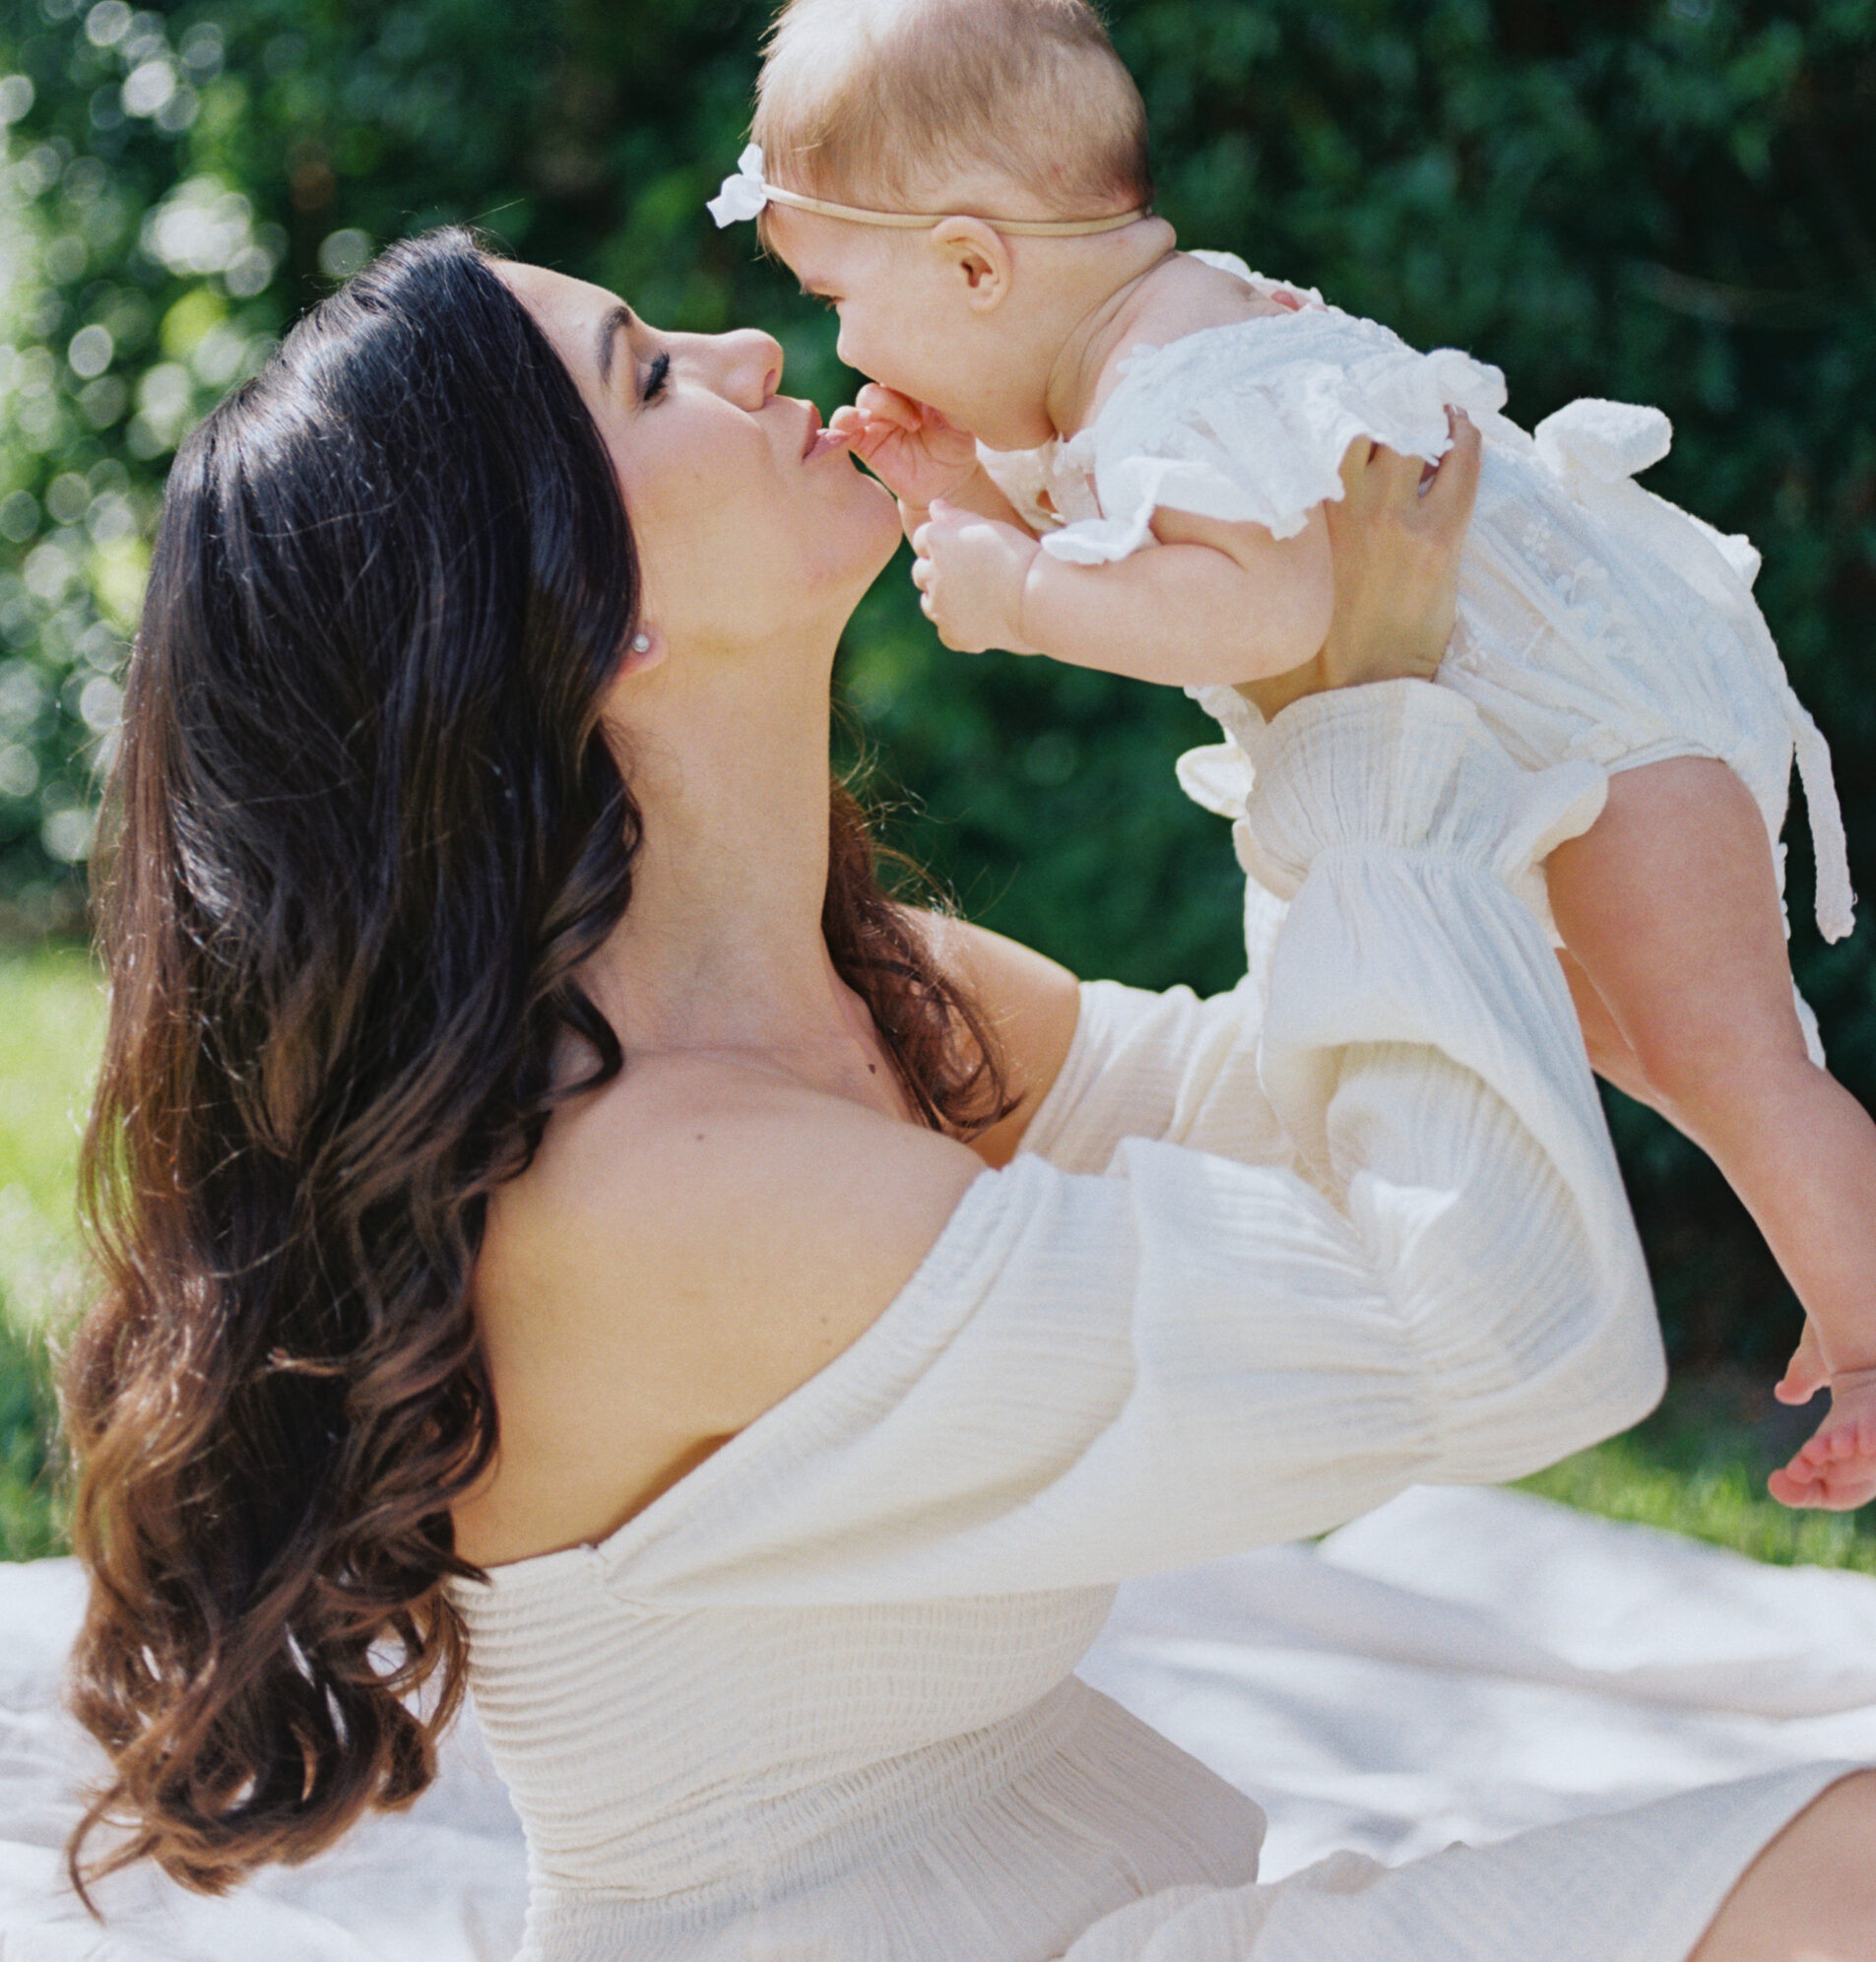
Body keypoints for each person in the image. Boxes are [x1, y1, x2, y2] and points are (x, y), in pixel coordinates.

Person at [62, 230, 1873, 1961]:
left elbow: (1345, 1125)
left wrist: (1276, 636)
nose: (751, 348)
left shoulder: (868, 993)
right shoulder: (665, 1185)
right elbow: (1499, 1338)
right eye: (652, 376)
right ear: (581, 616)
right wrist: (1348, 711)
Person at [716, 0, 1876, 1513]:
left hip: (1603, 727)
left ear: (975, 266)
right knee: (1639, 1048)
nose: (840, 345)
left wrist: (1017, 599)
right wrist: (962, 491)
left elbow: (1256, 610)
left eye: (841, 299)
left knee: (1723, 1053)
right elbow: (1161, 558)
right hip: (1531, 749)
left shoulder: (1179, 371)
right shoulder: (1118, 375)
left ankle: (1872, 1330)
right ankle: (1839, 1248)